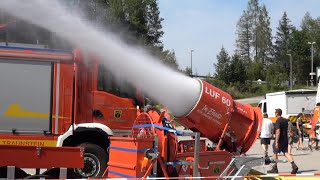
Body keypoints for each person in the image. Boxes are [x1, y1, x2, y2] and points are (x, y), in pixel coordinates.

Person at [267, 108, 298, 174]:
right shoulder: (285, 120)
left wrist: (276, 142)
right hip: (285, 138)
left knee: (275, 152)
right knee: (285, 152)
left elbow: (278, 131)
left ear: (277, 113)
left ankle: (275, 168)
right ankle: (294, 165)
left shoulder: (278, 120)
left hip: (280, 139)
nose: (275, 113)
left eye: (275, 112)